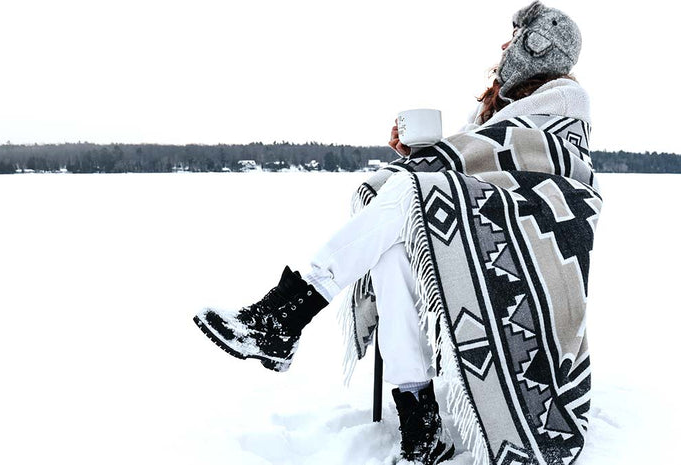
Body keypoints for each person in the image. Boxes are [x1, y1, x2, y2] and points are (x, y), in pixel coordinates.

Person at [194, 2, 592, 464]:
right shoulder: (499, 107)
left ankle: (285, 314)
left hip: (528, 229)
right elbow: (463, 157)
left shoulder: (566, 97)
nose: (504, 47)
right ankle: (420, 425)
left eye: (515, 39)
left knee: (408, 190)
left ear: (539, 48)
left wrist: (429, 162)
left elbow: (508, 161)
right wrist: (413, 153)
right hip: (483, 222)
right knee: (395, 253)